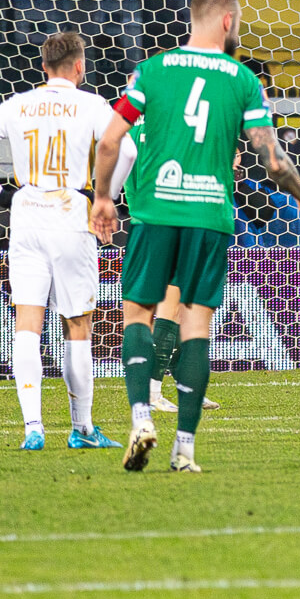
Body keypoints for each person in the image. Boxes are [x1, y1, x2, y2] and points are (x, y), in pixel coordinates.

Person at [91, 0, 300, 473]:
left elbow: (109, 142)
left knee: (138, 315)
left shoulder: (151, 71)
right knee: (195, 326)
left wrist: (103, 197)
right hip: (210, 216)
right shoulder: (242, 79)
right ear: (228, 22)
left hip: (156, 212)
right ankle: (184, 450)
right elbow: (272, 158)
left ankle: (141, 416)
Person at [0, 31, 123, 452]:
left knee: (27, 323)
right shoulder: (92, 105)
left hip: (26, 212)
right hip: (71, 211)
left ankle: (33, 427)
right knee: (77, 324)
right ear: (80, 66)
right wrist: (106, 198)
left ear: (44, 66)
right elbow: (129, 151)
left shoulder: (19, 103)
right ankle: (82, 428)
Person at [108, 124, 219, 414]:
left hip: (143, 225)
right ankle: (153, 392)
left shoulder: (129, 134)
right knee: (172, 312)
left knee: (178, 309)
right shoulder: (175, 129)